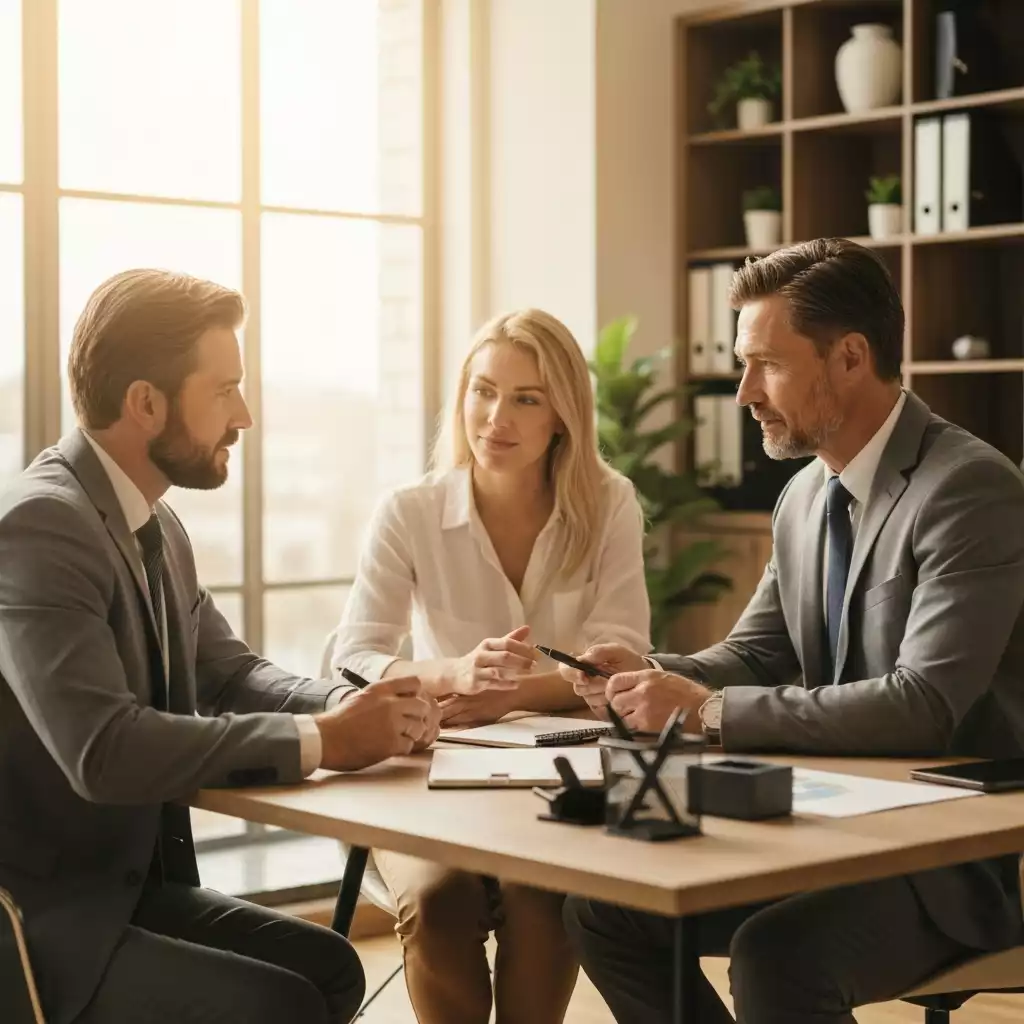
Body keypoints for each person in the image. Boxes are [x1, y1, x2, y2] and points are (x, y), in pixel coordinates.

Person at [559, 238, 1024, 1024]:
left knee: (777, 954)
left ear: (851, 357)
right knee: (607, 910)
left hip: (956, 860)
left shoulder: (967, 488)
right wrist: (646, 672)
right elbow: (756, 653)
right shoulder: (805, 496)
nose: (744, 392)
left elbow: (924, 706)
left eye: (766, 365)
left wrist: (704, 710)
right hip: (832, 825)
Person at [0, 269, 441, 1024]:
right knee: (282, 1004)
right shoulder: (43, 526)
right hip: (49, 922)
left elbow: (228, 672)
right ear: (146, 403)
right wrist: (325, 739)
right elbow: (104, 750)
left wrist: (359, 706)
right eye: (226, 389)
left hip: (129, 891)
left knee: (331, 969)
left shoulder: (154, 523)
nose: (245, 415)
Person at [327, 307, 651, 1023]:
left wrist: (508, 697)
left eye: (526, 398)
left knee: (545, 896)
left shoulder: (609, 504)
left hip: (560, 775)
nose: (495, 418)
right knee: (439, 900)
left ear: (562, 416)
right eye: (483, 390)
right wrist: (451, 675)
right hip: (429, 773)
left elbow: (620, 660)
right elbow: (353, 656)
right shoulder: (409, 511)